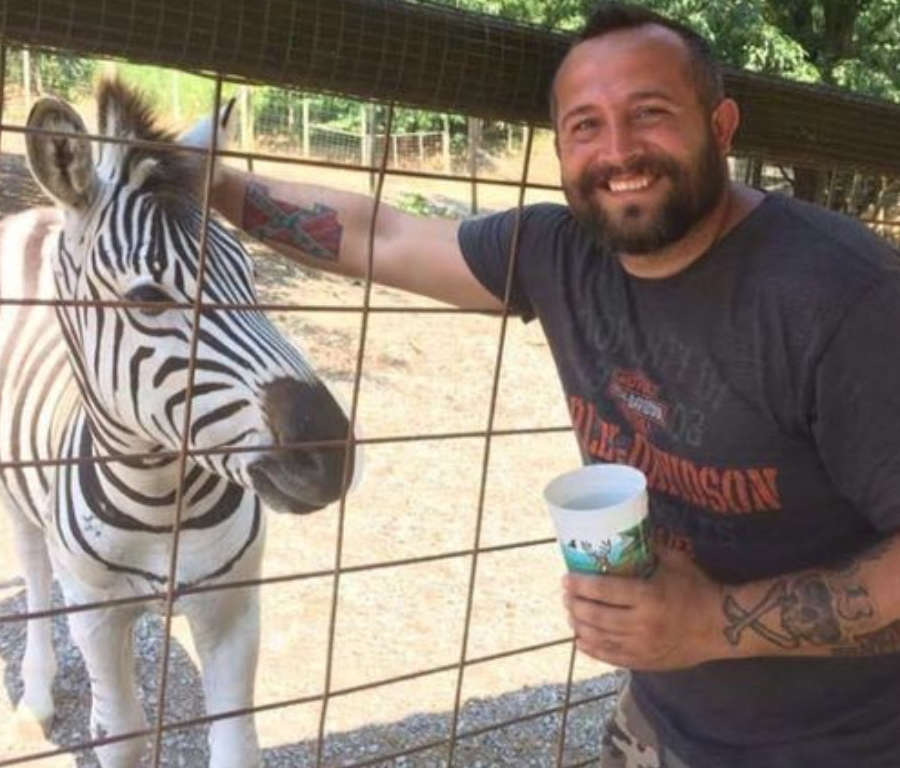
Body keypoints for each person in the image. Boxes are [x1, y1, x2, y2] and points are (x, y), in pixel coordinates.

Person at [210, 4, 900, 766]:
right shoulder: (558, 254)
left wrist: (709, 624)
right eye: (585, 126)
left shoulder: (842, 299)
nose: (619, 151)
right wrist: (203, 180)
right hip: (658, 723)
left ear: (722, 126)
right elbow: (380, 234)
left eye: (650, 113)